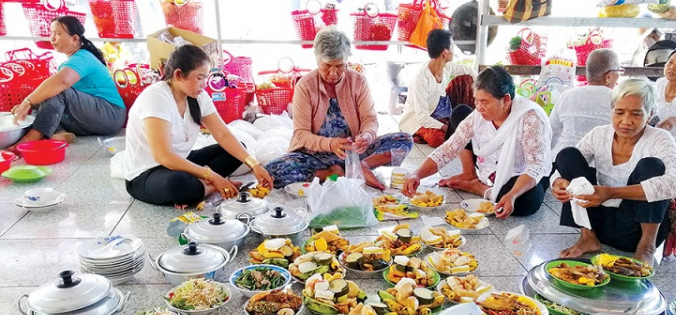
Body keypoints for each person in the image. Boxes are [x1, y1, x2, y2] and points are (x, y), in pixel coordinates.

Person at [551, 79, 676, 264]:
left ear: (649, 115)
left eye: (636, 114)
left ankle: (646, 247)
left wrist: (611, 193)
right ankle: (587, 237)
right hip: (599, 224)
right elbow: (565, 166)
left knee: (652, 166)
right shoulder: (599, 134)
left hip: (635, 229)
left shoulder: (660, 138)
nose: (626, 121)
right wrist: (559, 183)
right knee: (567, 155)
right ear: (611, 112)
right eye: (619, 112)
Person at [122, 45, 273, 207]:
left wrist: (254, 164)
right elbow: (163, 156)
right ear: (179, 75)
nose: (204, 84)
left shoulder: (198, 96)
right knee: (177, 183)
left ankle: (198, 187)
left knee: (236, 151)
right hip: (147, 174)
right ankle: (203, 188)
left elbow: (223, 134)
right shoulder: (156, 97)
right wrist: (212, 176)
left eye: (205, 78)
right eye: (200, 78)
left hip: (180, 162)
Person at [265, 27, 412, 190]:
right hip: (315, 155)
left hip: (353, 153)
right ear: (317, 60)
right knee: (272, 171)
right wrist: (330, 144)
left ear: (347, 61)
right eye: (327, 65)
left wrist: (367, 136)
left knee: (404, 140)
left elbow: (369, 119)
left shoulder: (358, 82)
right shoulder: (305, 86)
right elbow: (301, 134)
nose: (333, 73)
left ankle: (361, 167)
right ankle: (330, 173)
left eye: (340, 66)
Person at [402, 66, 551, 219]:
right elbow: (450, 148)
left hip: (522, 173)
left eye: (485, 102)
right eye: (476, 100)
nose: (479, 108)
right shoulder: (478, 116)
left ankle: (479, 187)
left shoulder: (530, 118)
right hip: (490, 166)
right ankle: (472, 177)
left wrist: (512, 195)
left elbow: (535, 166)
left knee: (525, 201)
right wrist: (417, 175)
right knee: (460, 112)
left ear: (506, 100)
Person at [8, 16, 126, 149]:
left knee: (57, 91)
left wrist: (27, 102)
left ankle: (30, 140)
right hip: (93, 118)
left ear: (75, 39)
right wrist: (28, 105)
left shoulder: (83, 57)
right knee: (42, 102)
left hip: (110, 114)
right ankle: (59, 134)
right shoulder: (70, 61)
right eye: (51, 33)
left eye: (57, 34)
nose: (52, 38)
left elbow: (60, 82)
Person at [398, 29, 476, 149]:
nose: (454, 52)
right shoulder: (421, 79)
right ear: (445, 53)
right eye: (453, 48)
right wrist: (446, 127)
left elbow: (470, 71)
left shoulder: (447, 66)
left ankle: (473, 121)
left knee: (467, 79)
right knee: (440, 139)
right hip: (418, 120)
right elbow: (423, 118)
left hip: (439, 109)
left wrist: (481, 91)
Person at [549, 49, 620, 160]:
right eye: (619, 71)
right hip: (598, 168)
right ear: (608, 77)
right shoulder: (619, 99)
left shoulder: (566, 96)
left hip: (560, 162)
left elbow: (550, 135)